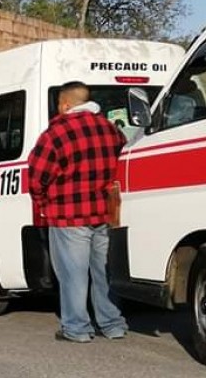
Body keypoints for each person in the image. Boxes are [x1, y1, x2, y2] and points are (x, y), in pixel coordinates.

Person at [28, 81, 128, 343]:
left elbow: (37, 176)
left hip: (68, 215)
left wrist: (42, 203)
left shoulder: (55, 134)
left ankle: (77, 328)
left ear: (66, 104)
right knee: (103, 272)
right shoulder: (111, 130)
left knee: (73, 275)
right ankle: (112, 324)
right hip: (105, 213)